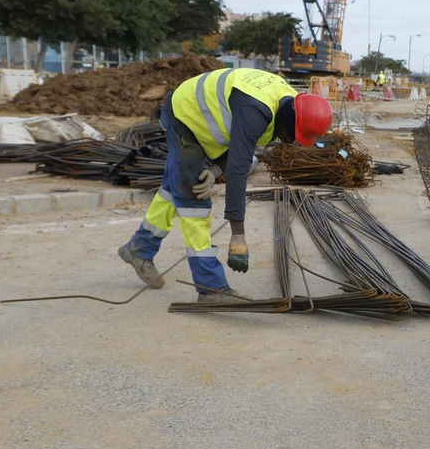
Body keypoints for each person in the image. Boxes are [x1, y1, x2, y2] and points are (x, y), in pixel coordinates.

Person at [117, 67, 333, 301]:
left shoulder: (288, 104)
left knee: (173, 189)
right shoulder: (256, 110)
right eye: (294, 135)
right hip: (185, 117)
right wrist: (238, 235)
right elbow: (238, 170)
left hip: (199, 116)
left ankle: (138, 249)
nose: (291, 141)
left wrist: (214, 169)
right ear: (289, 119)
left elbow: (242, 144)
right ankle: (210, 287)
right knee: (193, 198)